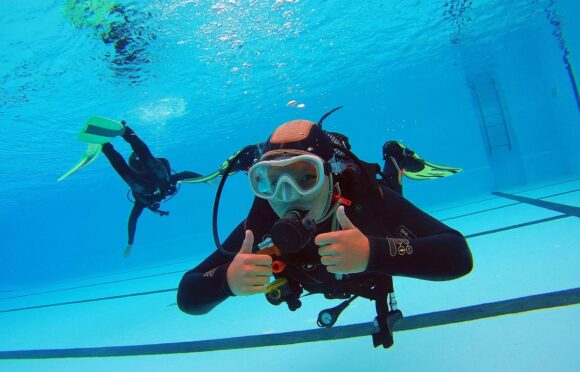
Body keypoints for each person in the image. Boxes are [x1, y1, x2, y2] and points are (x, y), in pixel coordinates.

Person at [176, 110, 472, 348]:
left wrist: (374, 252)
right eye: (269, 180)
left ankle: (393, 154)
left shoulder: (364, 200)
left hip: (369, 212)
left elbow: (457, 254)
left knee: (391, 186)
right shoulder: (263, 216)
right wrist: (225, 281)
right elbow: (188, 294)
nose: (287, 194)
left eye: (305, 177)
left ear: (329, 174)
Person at [102, 122, 203, 256]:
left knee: (134, 180)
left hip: (146, 172)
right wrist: (205, 179)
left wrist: (130, 243)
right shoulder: (160, 188)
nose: (158, 202)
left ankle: (107, 146)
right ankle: (124, 134)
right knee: (144, 171)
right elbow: (184, 175)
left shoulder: (142, 201)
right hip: (153, 172)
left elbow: (133, 220)